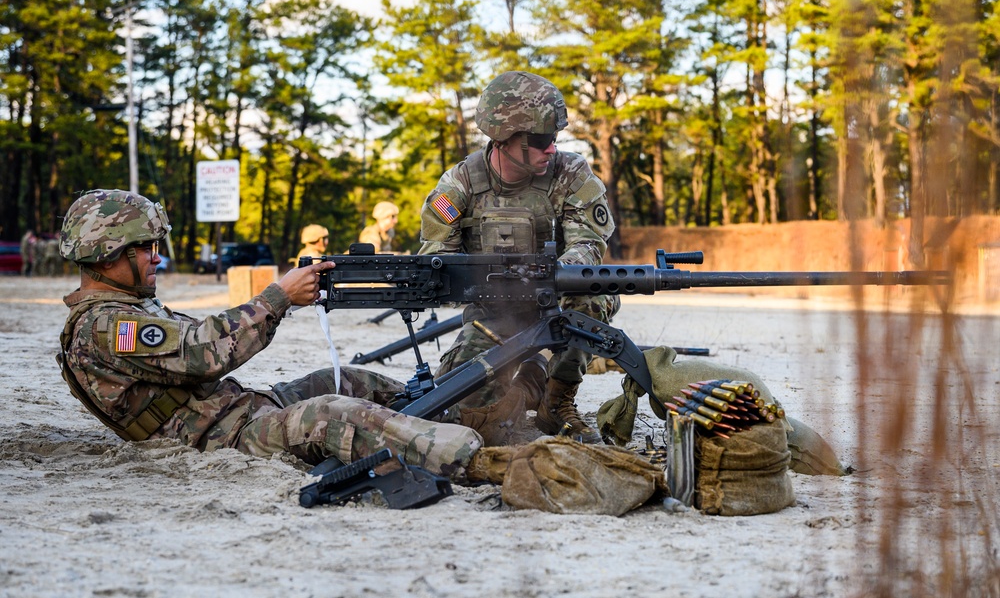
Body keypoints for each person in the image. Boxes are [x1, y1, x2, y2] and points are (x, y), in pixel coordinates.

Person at [56, 189, 518, 481]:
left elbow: (196, 341)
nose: (157, 259)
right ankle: (480, 461)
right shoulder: (106, 326)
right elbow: (204, 354)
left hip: (234, 412)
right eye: (147, 249)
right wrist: (277, 298)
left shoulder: (122, 312)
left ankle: (468, 420)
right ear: (107, 253)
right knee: (334, 413)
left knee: (350, 382)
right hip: (219, 438)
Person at [419, 70, 618, 444]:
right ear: (503, 138)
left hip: (558, 300)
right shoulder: (459, 185)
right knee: (471, 417)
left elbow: (588, 244)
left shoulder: (569, 173)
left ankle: (557, 401)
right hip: (493, 313)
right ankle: (532, 378)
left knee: (591, 294)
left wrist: (555, 271)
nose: (552, 149)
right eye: (542, 140)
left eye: (555, 138)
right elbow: (437, 262)